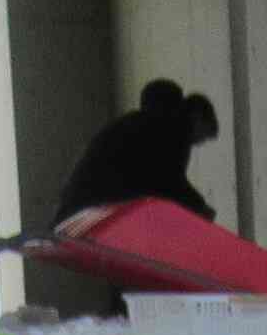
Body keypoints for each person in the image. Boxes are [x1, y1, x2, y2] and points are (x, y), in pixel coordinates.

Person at [53, 78, 220, 225]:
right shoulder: (171, 130)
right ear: (197, 117)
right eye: (203, 136)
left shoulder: (136, 122)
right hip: (96, 204)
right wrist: (199, 207)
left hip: (77, 204)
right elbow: (166, 180)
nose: (199, 143)